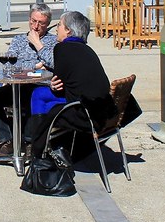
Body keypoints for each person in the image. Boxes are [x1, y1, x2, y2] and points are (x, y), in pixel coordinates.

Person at [25, 11, 116, 161]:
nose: (56, 29)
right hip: (101, 109)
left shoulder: (62, 48)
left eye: (59, 25)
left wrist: (55, 85)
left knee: (39, 96)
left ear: (68, 30)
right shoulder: (87, 50)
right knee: (41, 94)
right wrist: (56, 84)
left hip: (83, 113)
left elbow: (60, 85)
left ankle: (38, 146)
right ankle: (43, 142)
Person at [0, 3, 57, 158]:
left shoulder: (53, 42)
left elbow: (52, 63)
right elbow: (10, 65)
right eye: (33, 21)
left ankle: (31, 142)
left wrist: (38, 45)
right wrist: (36, 65)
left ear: (48, 24)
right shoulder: (18, 40)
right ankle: (7, 140)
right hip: (17, 85)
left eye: (41, 23)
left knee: (33, 96)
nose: (36, 26)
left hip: (40, 85)